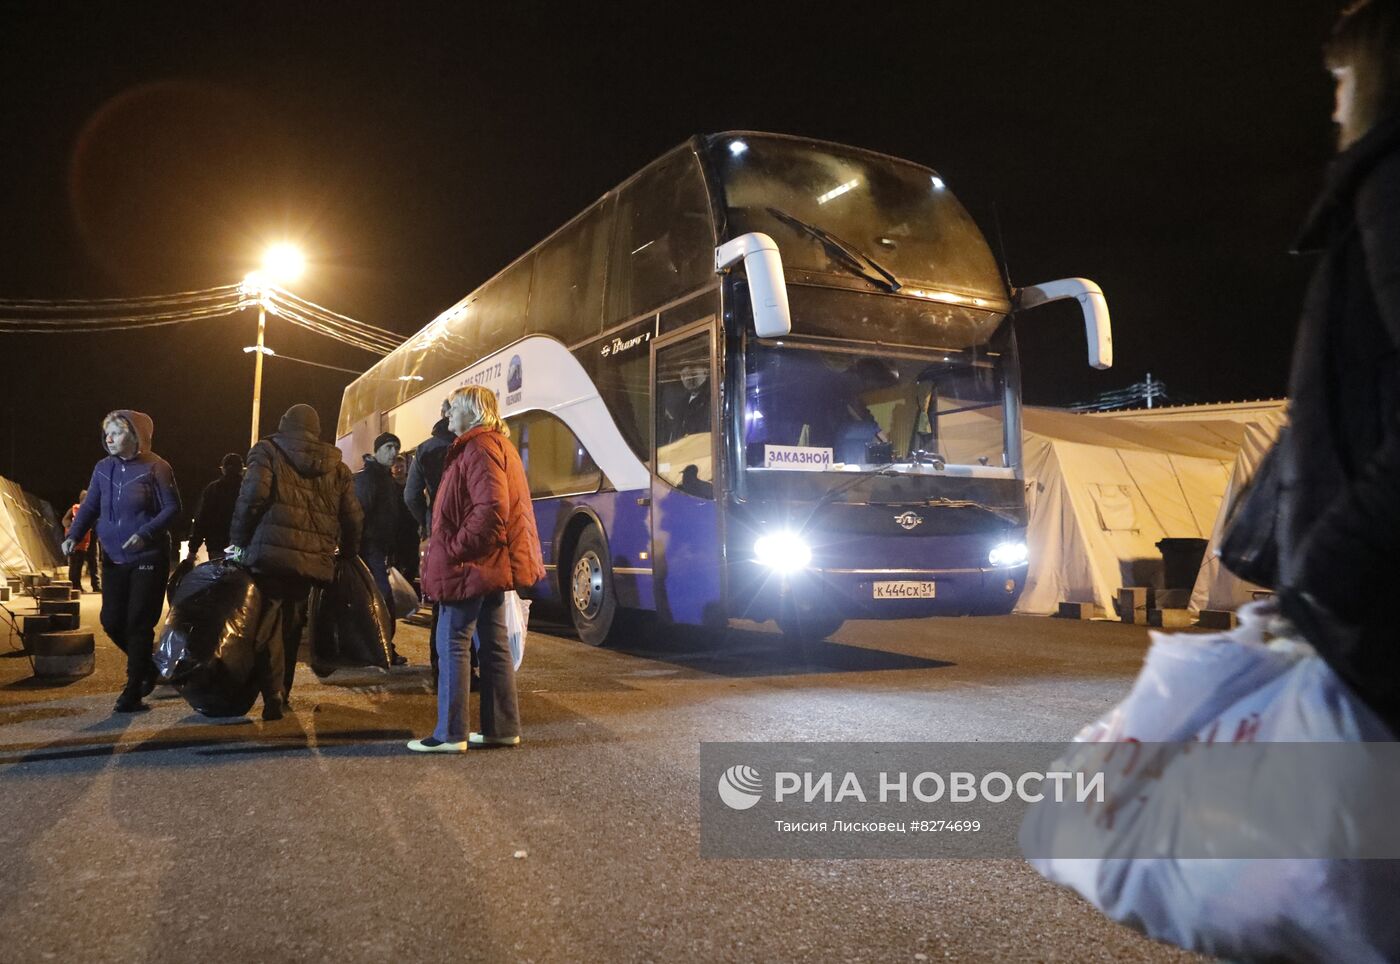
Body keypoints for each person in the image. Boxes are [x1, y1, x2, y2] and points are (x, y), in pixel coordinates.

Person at [1276, 0, 1400, 734]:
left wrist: (1325, 565)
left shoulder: (1389, 186)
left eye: (1344, 76)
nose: (1334, 100)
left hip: (1374, 601)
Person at [410, 385, 544, 752]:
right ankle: (501, 728)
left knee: (452, 641)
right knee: (494, 644)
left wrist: (455, 548)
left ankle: (450, 733)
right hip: (491, 564)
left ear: (472, 410)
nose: (447, 415)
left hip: (472, 564)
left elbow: (491, 510)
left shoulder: (478, 447)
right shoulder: (497, 444)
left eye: (453, 408)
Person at [226, 403, 363, 720]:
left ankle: (271, 692)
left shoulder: (266, 450)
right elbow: (353, 516)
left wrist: (238, 541)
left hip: (270, 555)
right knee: (292, 624)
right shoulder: (336, 466)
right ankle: (281, 693)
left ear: (284, 424)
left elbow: (252, 499)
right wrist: (349, 552)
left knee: (267, 623)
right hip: (311, 561)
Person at [62, 410, 181, 713]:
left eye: (116, 432)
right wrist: (74, 534)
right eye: (107, 433)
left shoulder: (158, 467)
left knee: (139, 622)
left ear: (136, 435)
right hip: (114, 557)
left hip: (148, 556)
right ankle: (148, 668)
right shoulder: (103, 468)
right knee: (112, 621)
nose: (109, 439)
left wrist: (146, 533)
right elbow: (90, 507)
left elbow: (172, 509)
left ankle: (132, 690)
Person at [403, 398, 456, 692]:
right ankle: (467, 669)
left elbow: (411, 495)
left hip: (437, 532)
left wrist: (425, 520)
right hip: (466, 533)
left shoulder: (426, 449)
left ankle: (439, 672)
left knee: (440, 604)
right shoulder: (469, 445)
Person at [354, 431, 407, 664]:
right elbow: (359, 514)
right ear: (377, 450)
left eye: (396, 447)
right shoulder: (368, 479)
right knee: (383, 601)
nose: (393, 452)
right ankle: (382, 649)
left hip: (383, 550)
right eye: (388, 447)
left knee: (382, 601)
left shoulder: (387, 480)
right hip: (370, 550)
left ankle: (380, 649)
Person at [187, 453, 244, 561]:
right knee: (234, 573)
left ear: (223, 469)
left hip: (216, 544)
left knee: (217, 575)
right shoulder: (246, 489)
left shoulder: (213, 489)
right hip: (237, 544)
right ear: (241, 469)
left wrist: (193, 549)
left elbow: (202, 520)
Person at [62, 490, 101, 592]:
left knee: (94, 563)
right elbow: (65, 520)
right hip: (79, 541)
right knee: (77, 564)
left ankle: (96, 585)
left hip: (92, 540)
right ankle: (76, 585)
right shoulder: (74, 510)